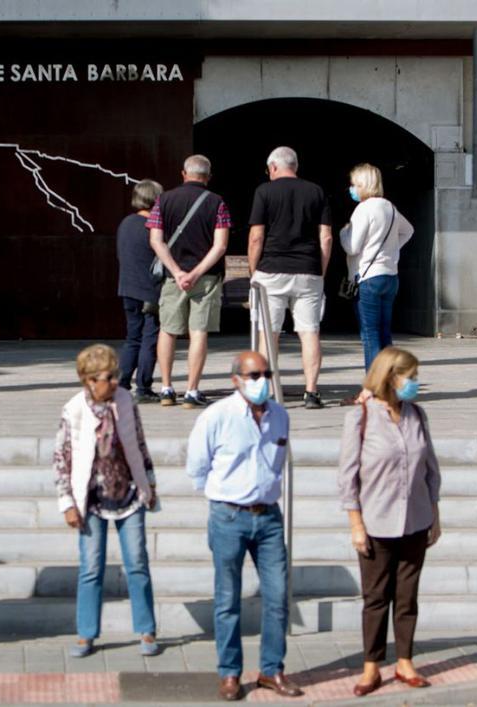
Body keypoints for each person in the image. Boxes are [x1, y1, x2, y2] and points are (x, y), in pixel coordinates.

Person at [186, 351, 303, 701]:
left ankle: (272, 669)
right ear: (236, 380)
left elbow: (277, 461)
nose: (261, 381)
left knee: (278, 596)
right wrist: (222, 497)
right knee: (227, 599)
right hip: (229, 515)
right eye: (254, 375)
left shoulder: (280, 415)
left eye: (266, 373)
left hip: (268, 517)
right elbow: (197, 465)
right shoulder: (217, 416)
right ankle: (230, 673)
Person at [336, 346, 441, 696]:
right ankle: (372, 666)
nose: (415, 383)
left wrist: (435, 515)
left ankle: (405, 661)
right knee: (376, 597)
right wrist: (356, 524)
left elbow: (430, 469)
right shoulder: (361, 417)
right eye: (410, 377)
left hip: (415, 519)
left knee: (407, 597)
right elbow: (348, 476)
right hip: (376, 522)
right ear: (390, 377)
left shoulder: (417, 415)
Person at [54, 344, 160, 658]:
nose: (115, 382)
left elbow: (139, 442)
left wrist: (150, 482)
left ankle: (146, 630)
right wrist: (67, 503)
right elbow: (61, 458)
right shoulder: (74, 409)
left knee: (137, 562)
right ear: (89, 380)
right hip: (91, 499)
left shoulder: (125, 401)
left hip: (129, 493)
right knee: (91, 566)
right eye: (107, 377)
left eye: (115, 375)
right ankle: (86, 633)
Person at [248, 146, 333, 409]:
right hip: (308, 270)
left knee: (268, 334)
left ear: (273, 167)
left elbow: (256, 237)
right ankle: (311, 392)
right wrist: (320, 270)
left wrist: (253, 271)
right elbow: (326, 237)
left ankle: (265, 391)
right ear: (295, 166)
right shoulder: (316, 191)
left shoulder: (264, 191)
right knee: (309, 332)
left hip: (271, 270)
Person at [148, 154, 231, 409]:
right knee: (198, 332)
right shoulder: (217, 203)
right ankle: (192, 391)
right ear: (208, 176)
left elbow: (156, 240)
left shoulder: (163, 200)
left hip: (173, 279)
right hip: (206, 278)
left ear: (184, 174)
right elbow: (220, 246)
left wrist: (177, 272)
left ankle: (166, 388)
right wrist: (195, 273)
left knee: (168, 330)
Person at [340, 163, 415, 373]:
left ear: (363, 185)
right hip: (390, 276)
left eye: (354, 184)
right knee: (384, 333)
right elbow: (408, 230)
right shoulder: (389, 207)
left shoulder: (363, 209)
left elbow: (352, 246)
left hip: (368, 277)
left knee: (370, 335)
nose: (352, 189)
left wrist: (344, 232)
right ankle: (390, 379)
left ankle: (374, 384)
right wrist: (392, 250)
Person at [116, 179, 165, 403]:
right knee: (149, 339)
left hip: (127, 287)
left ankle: (122, 383)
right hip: (150, 291)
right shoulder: (154, 227)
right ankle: (144, 387)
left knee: (132, 338)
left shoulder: (125, 223)